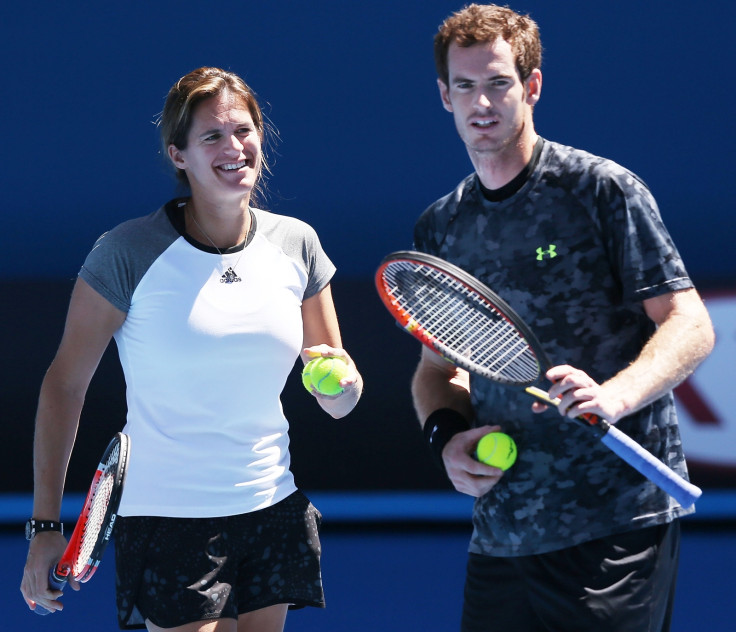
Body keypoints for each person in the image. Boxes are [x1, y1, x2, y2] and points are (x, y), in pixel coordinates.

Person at [20, 66, 363, 632]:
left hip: (272, 505)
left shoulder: (297, 244)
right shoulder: (126, 252)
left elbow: (337, 396)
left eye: (244, 131)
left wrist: (346, 388)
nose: (234, 148)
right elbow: (65, 384)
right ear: (179, 155)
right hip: (169, 519)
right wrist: (43, 525)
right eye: (212, 137)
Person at [410, 5, 714, 632]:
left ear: (533, 86)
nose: (482, 103)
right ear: (444, 95)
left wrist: (616, 394)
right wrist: (447, 438)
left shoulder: (603, 191)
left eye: (499, 82)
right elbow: (438, 371)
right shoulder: (440, 226)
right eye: (465, 86)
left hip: (616, 525)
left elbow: (689, 322)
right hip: (502, 534)